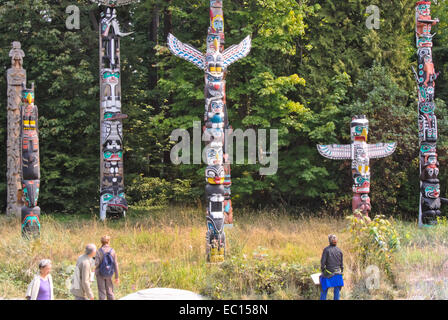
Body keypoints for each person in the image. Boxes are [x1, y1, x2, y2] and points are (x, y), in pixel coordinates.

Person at [320, 234, 344, 300]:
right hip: (338, 275)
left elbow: (322, 263)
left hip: (328, 274)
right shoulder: (339, 251)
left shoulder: (326, 250)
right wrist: (341, 272)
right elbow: (342, 265)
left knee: (324, 289)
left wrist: (323, 271)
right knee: (337, 292)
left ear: (329, 241)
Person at [95, 235, 119, 300]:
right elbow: (116, 264)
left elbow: (96, 264)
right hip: (109, 273)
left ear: (101, 242)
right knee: (110, 291)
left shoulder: (99, 251)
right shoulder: (112, 251)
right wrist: (117, 277)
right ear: (108, 241)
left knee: (102, 292)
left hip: (100, 274)